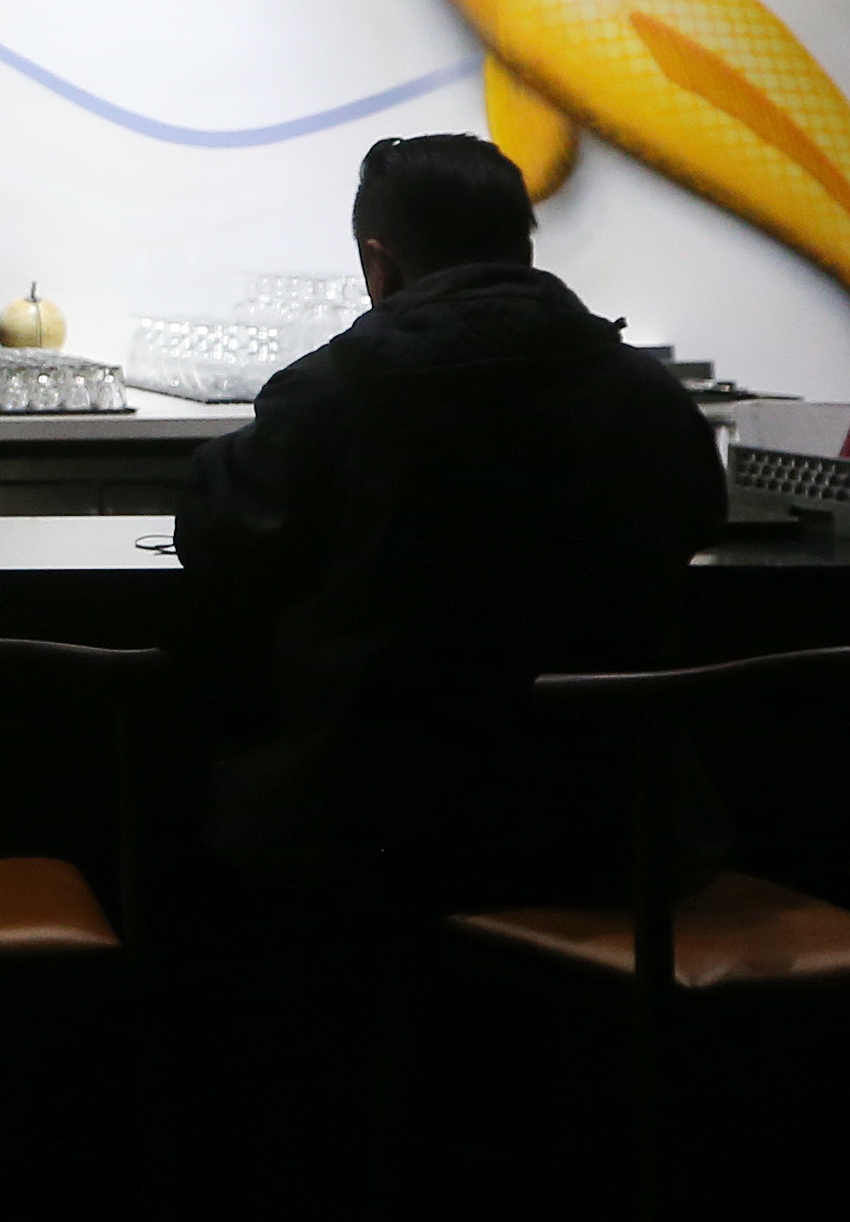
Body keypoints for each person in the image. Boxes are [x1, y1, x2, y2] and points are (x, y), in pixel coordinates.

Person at [171, 134, 725, 906]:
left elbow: (215, 531)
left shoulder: (332, 395)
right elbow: (700, 519)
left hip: (371, 830)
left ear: (378, 262)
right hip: (612, 834)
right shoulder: (644, 393)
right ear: (522, 246)